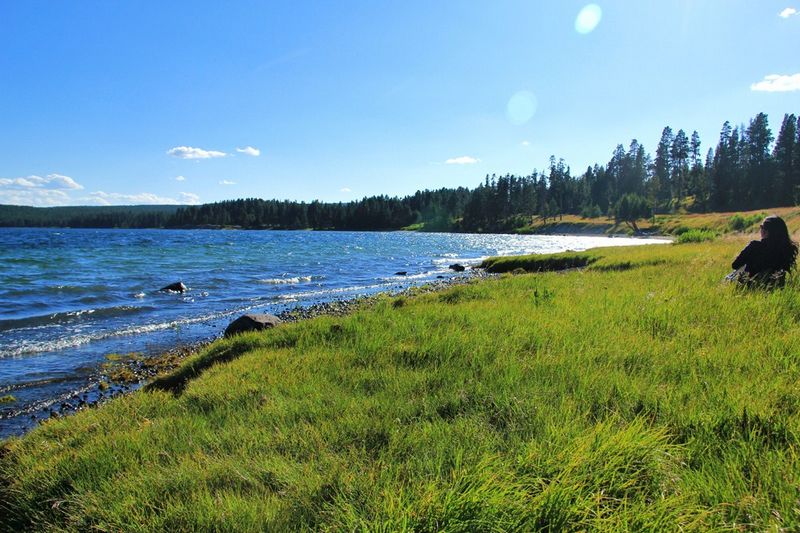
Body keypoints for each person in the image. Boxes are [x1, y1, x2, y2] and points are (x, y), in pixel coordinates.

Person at [730, 215, 798, 287]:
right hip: (773, 288)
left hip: (749, 287)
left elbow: (735, 265)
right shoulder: (785, 250)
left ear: (767, 231)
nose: (760, 229)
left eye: (762, 227)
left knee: (732, 275)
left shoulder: (754, 246)